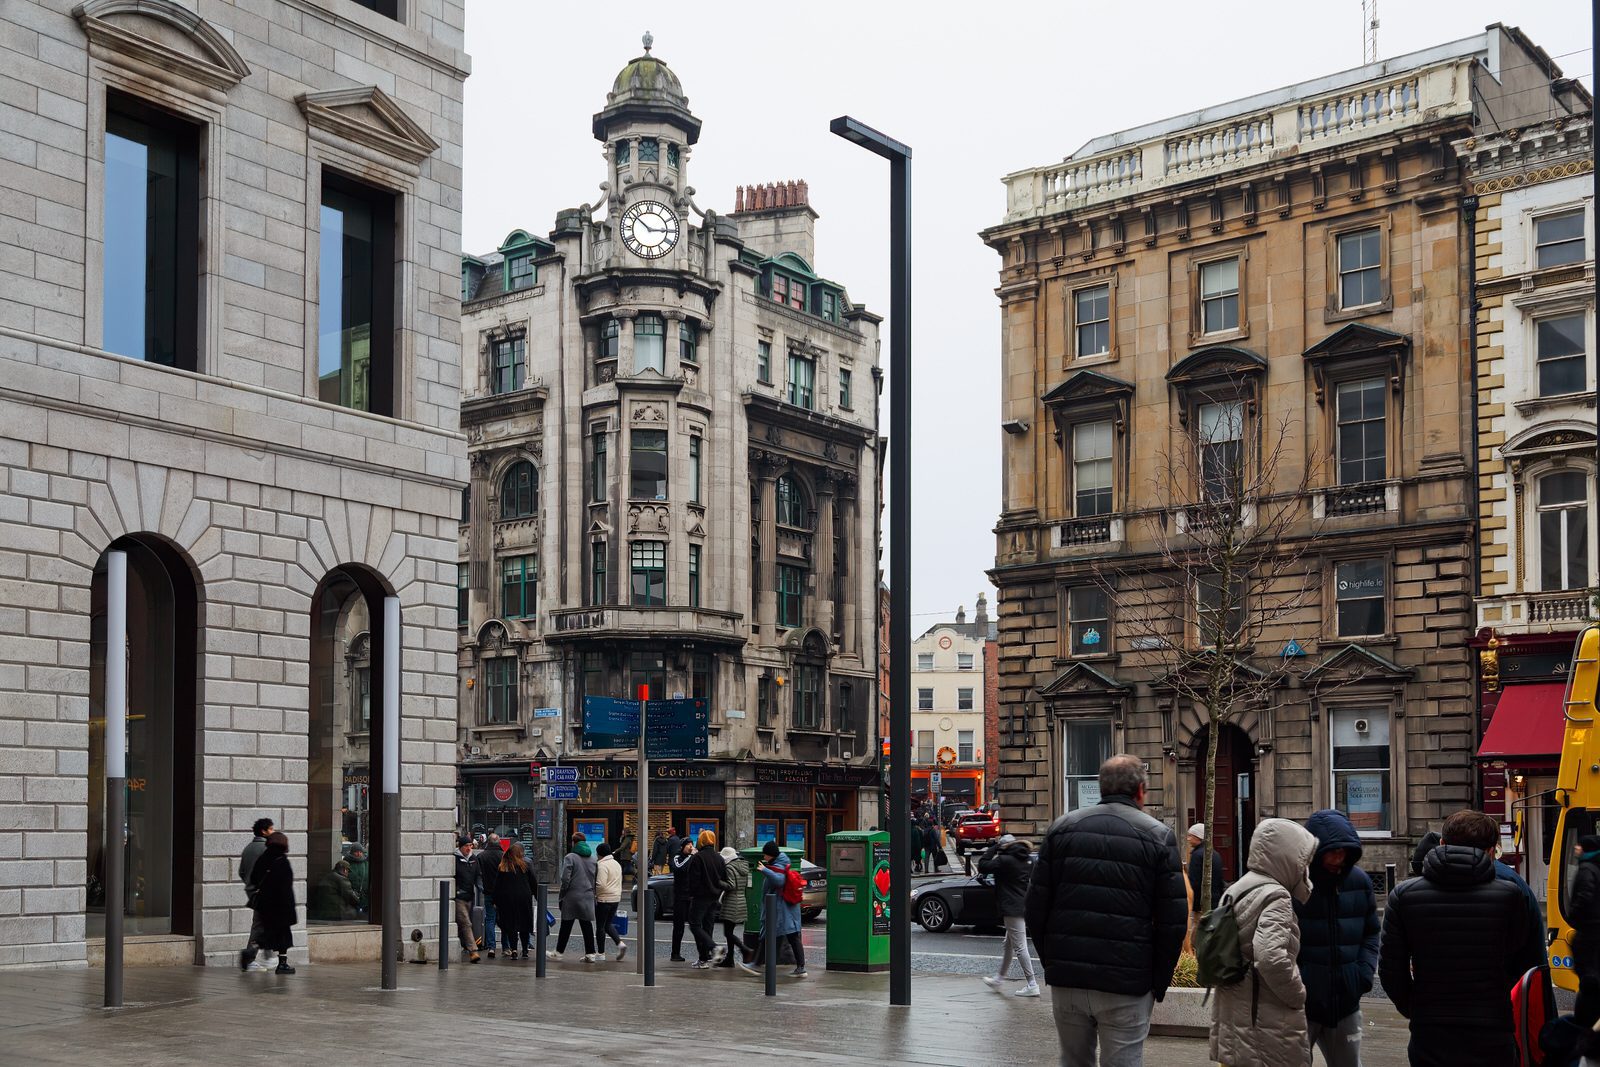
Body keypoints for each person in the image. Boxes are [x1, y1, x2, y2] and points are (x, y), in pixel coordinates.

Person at [1024, 754, 1186, 1067]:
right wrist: (1157, 982)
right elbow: (1173, 923)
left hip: (1069, 979)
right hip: (1127, 983)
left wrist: (1054, 963)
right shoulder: (1158, 836)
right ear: (1140, 791)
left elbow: (1035, 908)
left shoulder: (1062, 829)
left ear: (1101, 788)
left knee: (1073, 1061)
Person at [1379, 809, 1533, 1066]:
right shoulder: (1509, 895)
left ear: (1442, 843)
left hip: (1431, 1026)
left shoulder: (1404, 895)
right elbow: (1520, 959)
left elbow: (1391, 970)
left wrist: (1415, 1008)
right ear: (1490, 851)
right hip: (1492, 1025)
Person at [1208, 818, 1319, 1067]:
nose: (1306, 868)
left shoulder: (1235, 889)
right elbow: (1270, 957)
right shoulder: (1276, 895)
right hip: (1266, 1024)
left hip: (1234, 1016)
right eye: (1303, 861)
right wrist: (1297, 994)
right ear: (1287, 857)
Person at [1294, 810, 1379, 1067]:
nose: (1339, 858)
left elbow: (1371, 932)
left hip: (1345, 1002)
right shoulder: (1294, 885)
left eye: (1344, 851)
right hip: (1301, 1004)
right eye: (1333, 851)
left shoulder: (1359, 881)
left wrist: (1362, 975)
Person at [977, 834, 1038, 997]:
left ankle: (1032, 983)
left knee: (1020, 946)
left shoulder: (1005, 860)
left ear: (1004, 847)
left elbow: (982, 865)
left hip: (1011, 907)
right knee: (1008, 944)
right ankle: (999, 979)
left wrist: (993, 848)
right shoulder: (1027, 859)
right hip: (1023, 904)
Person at [744, 841, 806, 978]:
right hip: (783, 909)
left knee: (790, 937)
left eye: (765, 855)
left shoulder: (778, 866)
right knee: (772, 936)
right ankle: (757, 963)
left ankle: (800, 967)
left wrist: (765, 870)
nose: (764, 858)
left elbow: (779, 880)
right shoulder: (781, 863)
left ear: (770, 855)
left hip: (782, 910)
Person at [247, 831, 298, 975]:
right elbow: (285, 887)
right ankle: (282, 964)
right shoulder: (282, 860)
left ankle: (249, 955)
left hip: (264, 904)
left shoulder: (263, 858)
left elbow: (254, 878)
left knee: (263, 932)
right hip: (279, 905)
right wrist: (289, 908)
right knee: (283, 935)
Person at [549, 832, 601, 962]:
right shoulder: (593, 859)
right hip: (588, 895)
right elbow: (595, 879)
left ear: (573, 842)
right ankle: (590, 954)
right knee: (586, 924)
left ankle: (559, 952)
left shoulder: (570, 857)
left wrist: (562, 896)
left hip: (572, 896)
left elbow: (565, 879)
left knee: (566, 924)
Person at [1567, 834, 1600, 1028]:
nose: (1576, 848)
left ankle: (1585, 1025)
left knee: (1588, 980)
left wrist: (1574, 916)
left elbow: (1584, 896)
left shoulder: (1587, 868)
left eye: (1580, 845)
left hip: (1589, 931)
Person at [685, 829, 728, 968]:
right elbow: (724, 879)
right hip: (714, 898)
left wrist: (692, 893)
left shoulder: (698, 857)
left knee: (695, 925)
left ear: (701, 840)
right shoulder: (719, 858)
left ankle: (714, 948)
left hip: (700, 897)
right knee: (707, 927)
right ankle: (704, 958)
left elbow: (693, 879)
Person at [238, 817, 274, 972]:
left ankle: (259, 957)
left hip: (253, 893)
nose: (273, 832)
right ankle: (257, 958)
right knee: (263, 924)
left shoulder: (248, 848)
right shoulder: (267, 849)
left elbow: (241, 872)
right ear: (263, 831)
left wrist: (250, 885)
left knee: (261, 924)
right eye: (271, 829)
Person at [493, 841, 537, 960]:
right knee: (524, 924)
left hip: (507, 899)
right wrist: (538, 896)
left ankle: (513, 949)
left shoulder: (503, 866)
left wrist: (495, 900)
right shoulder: (525, 864)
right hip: (524, 898)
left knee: (511, 925)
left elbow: (497, 885)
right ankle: (525, 949)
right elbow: (533, 882)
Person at [715, 845, 753, 968]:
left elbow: (731, 885)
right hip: (741, 899)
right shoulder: (743, 865)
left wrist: (718, 881)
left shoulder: (730, 867)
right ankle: (730, 959)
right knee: (729, 931)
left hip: (732, 901)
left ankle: (744, 949)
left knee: (728, 932)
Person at [594, 842, 627, 961]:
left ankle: (601, 953)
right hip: (615, 898)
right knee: (607, 924)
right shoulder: (616, 864)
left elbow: (601, 884)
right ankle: (620, 943)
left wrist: (595, 893)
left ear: (600, 854)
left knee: (600, 927)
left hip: (604, 899)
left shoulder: (602, 865)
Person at [1185, 822, 1224, 917]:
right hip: (1215, 901)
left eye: (1191, 836)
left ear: (1199, 837)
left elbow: (1194, 882)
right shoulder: (1215, 854)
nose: (1188, 839)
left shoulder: (1197, 855)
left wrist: (1193, 904)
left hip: (1200, 904)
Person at [452, 835, 481, 963]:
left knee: (461, 924)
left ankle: (459, 945)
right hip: (459, 897)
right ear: (461, 847)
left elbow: (478, 876)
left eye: (470, 846)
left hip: (470, 896)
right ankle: (473, 951)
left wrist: (482, 888)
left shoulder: (474, 859)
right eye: (466, 846)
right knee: (466, 923)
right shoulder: (455, 859)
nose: (469, 848)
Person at [476, 832, 504, 958]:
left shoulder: (481, 856)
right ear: (499, 843)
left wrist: (482, 888)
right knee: (504, 919)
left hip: (488, 892)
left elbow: (478, 875)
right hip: (502, 892)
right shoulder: (503, 856)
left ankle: (491, 947)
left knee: (490, 919)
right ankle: (506, 947)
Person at [669, 835, 696, 962]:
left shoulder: (693, 858)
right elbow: (679, 868)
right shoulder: (677, 857)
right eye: (688, 845)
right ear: (682, 847)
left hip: (691, 896)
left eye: (692, 844)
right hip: (680, 896)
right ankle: (675, 953)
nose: (691, 847)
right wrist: (691, 856)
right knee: (679, 926)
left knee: (696, 925)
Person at [345, 844, 370, 916]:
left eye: (360, 852)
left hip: (365, 896)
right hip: (352, 896)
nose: (359, 854)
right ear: (352, 852)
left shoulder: (366, 863)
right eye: (356, 852)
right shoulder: (347, 862)